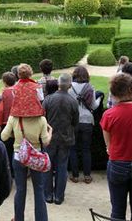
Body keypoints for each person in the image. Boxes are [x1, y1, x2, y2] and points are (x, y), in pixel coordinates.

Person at [101, 73, 132, 221]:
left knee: (117, 212)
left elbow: (108, 145)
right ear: (131, 89)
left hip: (118, 163)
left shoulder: (109, 114)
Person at [1, 94, 52, 221]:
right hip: (36, 157)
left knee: (20, 189)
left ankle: (19, 218)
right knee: (39, 189)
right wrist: (51, 132)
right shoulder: (41, 119)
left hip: (19, 156)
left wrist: (15, 133)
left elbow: (3, 137)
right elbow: (45, 142)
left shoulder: (14, 118)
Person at [43, 74, 79, 205]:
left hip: (50, 137)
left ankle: (48, 195)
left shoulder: (48, 99)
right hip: (65, 138)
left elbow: (42, 119)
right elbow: (75, 122)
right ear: (69, 85)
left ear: (58, 84)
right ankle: (59, 196)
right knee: (62, 167)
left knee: (48, 166)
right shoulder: (73, 101)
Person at [68, 66, 98, 184]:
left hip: (73, 121)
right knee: (86, 149)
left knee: (73, 149)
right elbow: (94, 106)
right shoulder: (90, 87)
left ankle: (75, 176)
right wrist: (100, 99)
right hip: (86, 120)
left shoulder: (70, 87)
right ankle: (87, 176)